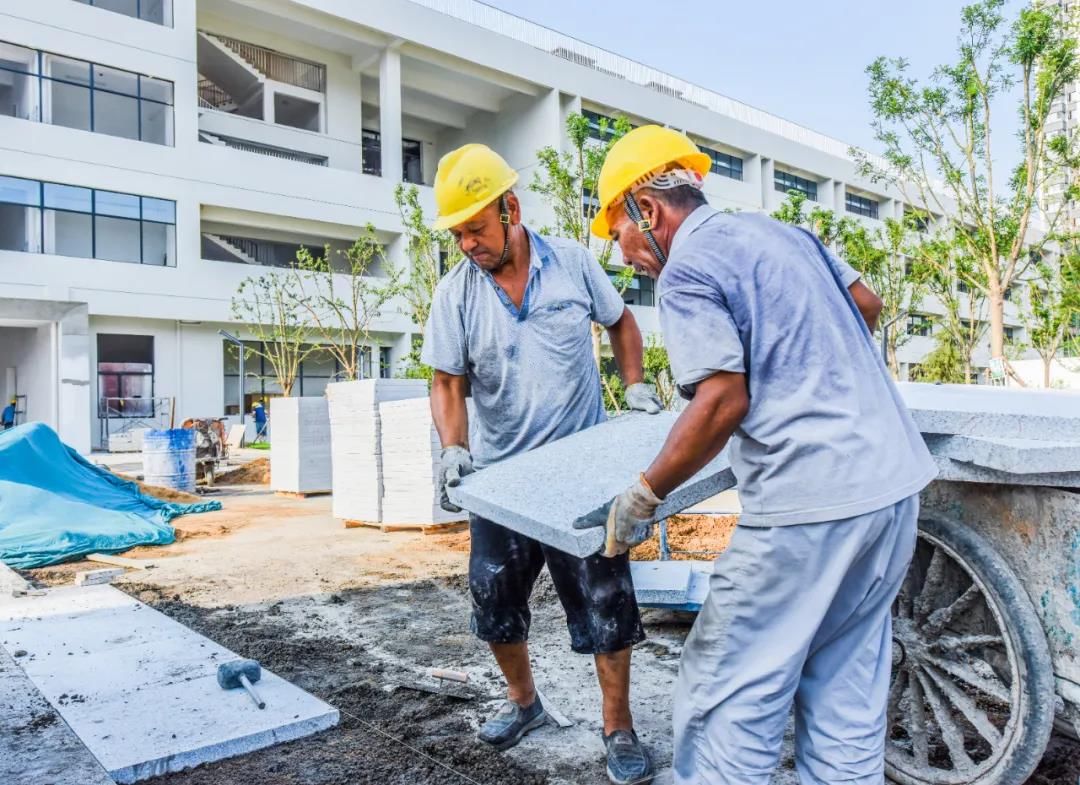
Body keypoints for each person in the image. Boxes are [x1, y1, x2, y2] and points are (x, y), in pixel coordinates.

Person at [587, 126, 938, 784]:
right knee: (844, 691)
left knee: (728, 695)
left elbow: (721, 401)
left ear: (647, 210)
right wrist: (805, 362)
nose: (623, 253)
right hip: (890, 492)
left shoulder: (688, 269)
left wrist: (643, 494)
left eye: (618, 233)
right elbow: (867, 303)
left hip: (808, 505)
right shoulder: (784, 234)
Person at [422, 143, 662, 785]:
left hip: (583, 472)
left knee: (606, 602)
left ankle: (618, 727)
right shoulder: (456, 294)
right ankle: (525, 704)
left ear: (511, 208)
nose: (467, 243)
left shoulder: (575, 264)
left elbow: (621, 323)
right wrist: (453, 450)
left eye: (476, 228)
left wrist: (634, 386)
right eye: (457, 234)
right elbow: (447, 382)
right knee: (493, 593)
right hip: (505, 481)